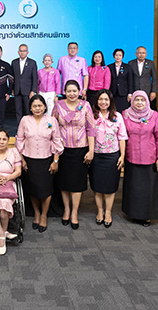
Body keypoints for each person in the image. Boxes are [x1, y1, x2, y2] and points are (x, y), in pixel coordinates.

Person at [16, 95, 64, 232]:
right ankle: (36, 213)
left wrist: (55, 161)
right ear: (30, 108)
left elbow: (56, 141)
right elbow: (19, 140)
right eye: (35, 106)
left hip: (46, 160)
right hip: (29, 160)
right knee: (33, 188)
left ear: (44, 107)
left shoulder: (51, 120)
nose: (37, 108)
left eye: (40, 105)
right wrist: (22, 159)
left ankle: (44, 215)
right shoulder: (25, 120)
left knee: (46, 189)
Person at [121, 90, 158, 226]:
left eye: (142, 100)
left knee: (149, 189)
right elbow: (121, 135)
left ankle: (147, 215)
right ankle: (133, 213)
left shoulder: (154, 115)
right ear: (132, 100)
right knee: (134, 188)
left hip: (150, 157)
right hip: (132, 156)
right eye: (137, 100)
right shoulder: (125, 114)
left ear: (147, 101)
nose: (139, 103)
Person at [52, 80, 94, 229]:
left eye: (74, 91)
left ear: (79, 91)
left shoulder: (85, 105)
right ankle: (66, 210)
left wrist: (91, 150)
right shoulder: (59, 105)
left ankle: (74, 212)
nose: (72, 94)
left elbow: (91, 128)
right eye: (69, 91)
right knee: (64, 182)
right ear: (65, 91)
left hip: (80, 149)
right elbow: (52, 124)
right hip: (63, 150)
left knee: (77, 183)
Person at [89, 89, 128, 228]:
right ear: (96, 101)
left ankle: (108, 212)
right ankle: (100, 211)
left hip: (112, 156)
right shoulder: (92, 116)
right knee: (97, 187)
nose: (103, 102)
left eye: (106, 99)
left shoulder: (117, 116)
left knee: (110, 187)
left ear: (110, 101)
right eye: (100, 99)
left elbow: (122, 137)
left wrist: (122, 156)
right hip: (97, 157)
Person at [12, 44, 39, 125]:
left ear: (27, 52)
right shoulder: (14, 62)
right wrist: (12, 89)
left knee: (28, 110)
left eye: (24, 51)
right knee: (18, 110)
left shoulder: (32, 62)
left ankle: (29, 127)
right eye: (21, 51)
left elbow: (35, 77)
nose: (22, 52)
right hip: (17, 90)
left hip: (28, 91)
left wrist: (33, 90)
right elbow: (12, 77)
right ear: (18, 52)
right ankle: (20, 128)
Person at [128, 46, 158, 110]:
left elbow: (154, 78)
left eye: (143, 53)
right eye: (139, 53)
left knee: (147, 108)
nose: (141, 55)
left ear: (146, 54)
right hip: (134, 90)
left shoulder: (150, 63)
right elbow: (129, 79)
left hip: (147, 90)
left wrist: (154, 91)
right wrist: (130, 92)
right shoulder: (131, 63)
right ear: (136, 54)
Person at [108, 48, 134, 113]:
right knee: (113, 110)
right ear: (114, 56)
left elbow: (130, 81)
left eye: (120, 55)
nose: (118, 57)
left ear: (122, 56)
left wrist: (130, 93)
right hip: (113, 92)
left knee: (123, 111)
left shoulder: (127, 67)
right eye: (116, 55)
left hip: (123, 93)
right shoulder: (109, 67)